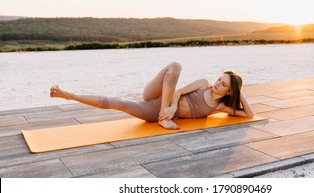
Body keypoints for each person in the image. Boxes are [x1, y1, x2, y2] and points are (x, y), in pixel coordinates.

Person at [50, 62, 254, 130]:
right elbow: (178, 91)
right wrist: (172, 109)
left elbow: (249, 114)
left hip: (153, 110)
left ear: (230, 91)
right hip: (159, 96)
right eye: (220, 78)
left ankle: (68, 95)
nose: (218, 82)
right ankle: (164, 120)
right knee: (175, 66)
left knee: (119, 103)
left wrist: (239, 92)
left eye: (224, 84)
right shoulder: (204, 84)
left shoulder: (218, 108)